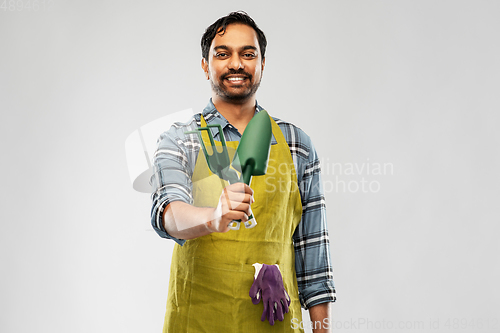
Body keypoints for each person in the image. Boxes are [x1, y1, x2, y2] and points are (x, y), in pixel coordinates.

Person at [151, 11, 336, 333]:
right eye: (222, 54)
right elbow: (169, 215)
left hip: (275, 322)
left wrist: (322, 328)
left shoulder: (297, 144)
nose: (236, 64)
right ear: (206, 65)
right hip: (198, 320)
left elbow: (312, 247)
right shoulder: (180, 139)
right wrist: (214, 216)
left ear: (262, 63)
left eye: (247, 54)